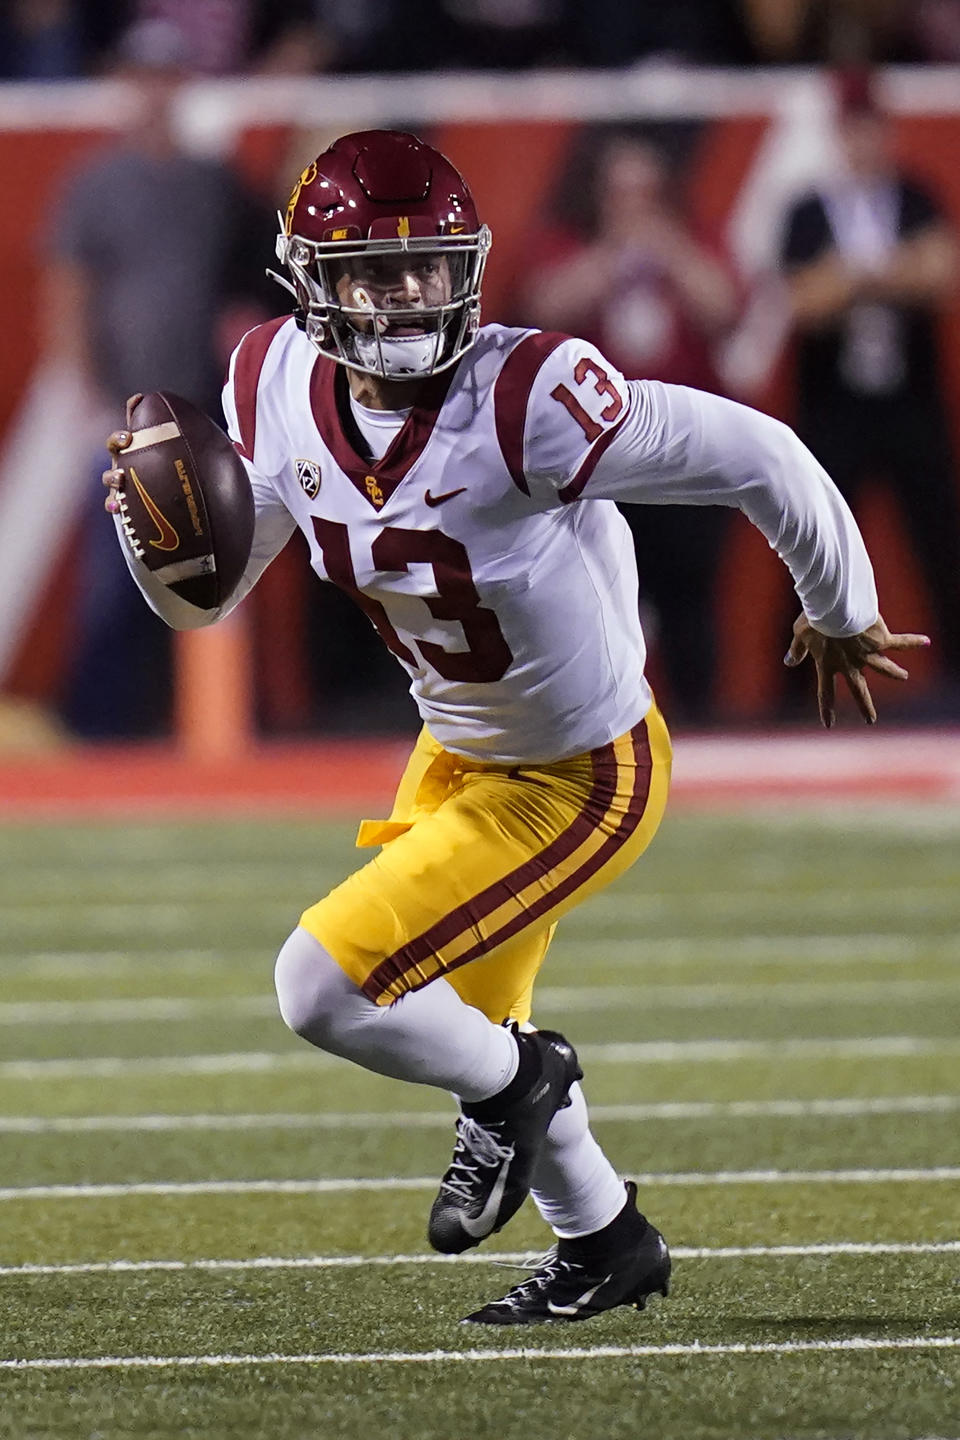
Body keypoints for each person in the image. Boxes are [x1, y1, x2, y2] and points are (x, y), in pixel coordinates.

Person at [104, 130, 926, 1325]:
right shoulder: (270, 381)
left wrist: (840, 605)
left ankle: (521, 1086)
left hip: (582, 771)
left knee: (326, 990)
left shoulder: (529, 397)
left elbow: (761, 451)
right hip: (456, 743)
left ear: (470, 269)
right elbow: (226, 586)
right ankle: (607, 1241)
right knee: (468, 1019)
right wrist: (175, 553)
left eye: (429, 270)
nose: (406, 298)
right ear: (309, 282)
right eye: (375, 277)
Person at [44, 17, 276, 737]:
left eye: (164, 78)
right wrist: (84, 389)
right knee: (121, 571)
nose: (153, 92)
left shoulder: (213, 184)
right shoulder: (98, 184)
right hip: (125, 404)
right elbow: (69, 289)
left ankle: (203, 725)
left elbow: (255, 278)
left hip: (198, 404)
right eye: (142, 78)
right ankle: (101, 724)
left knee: (215, 562)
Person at [525, 132, 740, 722]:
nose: (633, 205)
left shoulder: (692, 242)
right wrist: (612, 252)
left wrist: (664, 245)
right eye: (621, 193)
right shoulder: (569, 244)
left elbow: (723, 306)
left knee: (690, 597)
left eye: (646, 193)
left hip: (682, 455)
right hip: (595, 460)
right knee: (595, 600)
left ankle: (702, 718)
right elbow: (544, 306)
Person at [780, 70, 960, 694]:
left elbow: (941, 274)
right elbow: (803, 300)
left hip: (909, 400)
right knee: (813, 549)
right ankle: (795, 694)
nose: (864, 143)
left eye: (872, 129)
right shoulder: (808, 210)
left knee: (941, 543)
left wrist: (853, 277)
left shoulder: (915, 196)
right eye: (851, 131)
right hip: (835, 406)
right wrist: (887, 273)